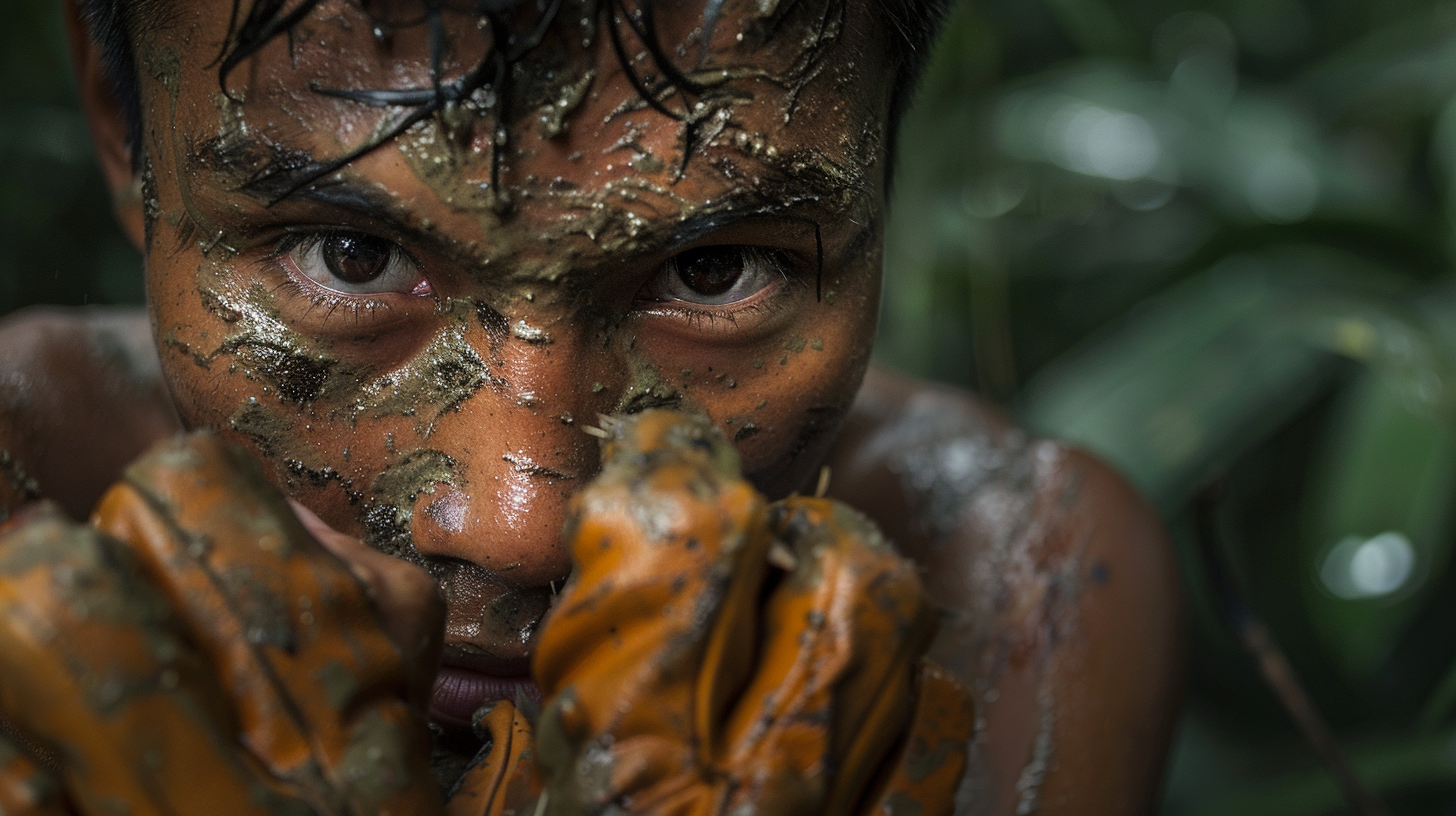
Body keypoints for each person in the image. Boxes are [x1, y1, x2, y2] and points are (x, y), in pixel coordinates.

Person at [0, 0, 1183, 814]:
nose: (525, 524)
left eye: (712, 272)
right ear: (122, 117)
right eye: (348, 256)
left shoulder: (1008, 576)